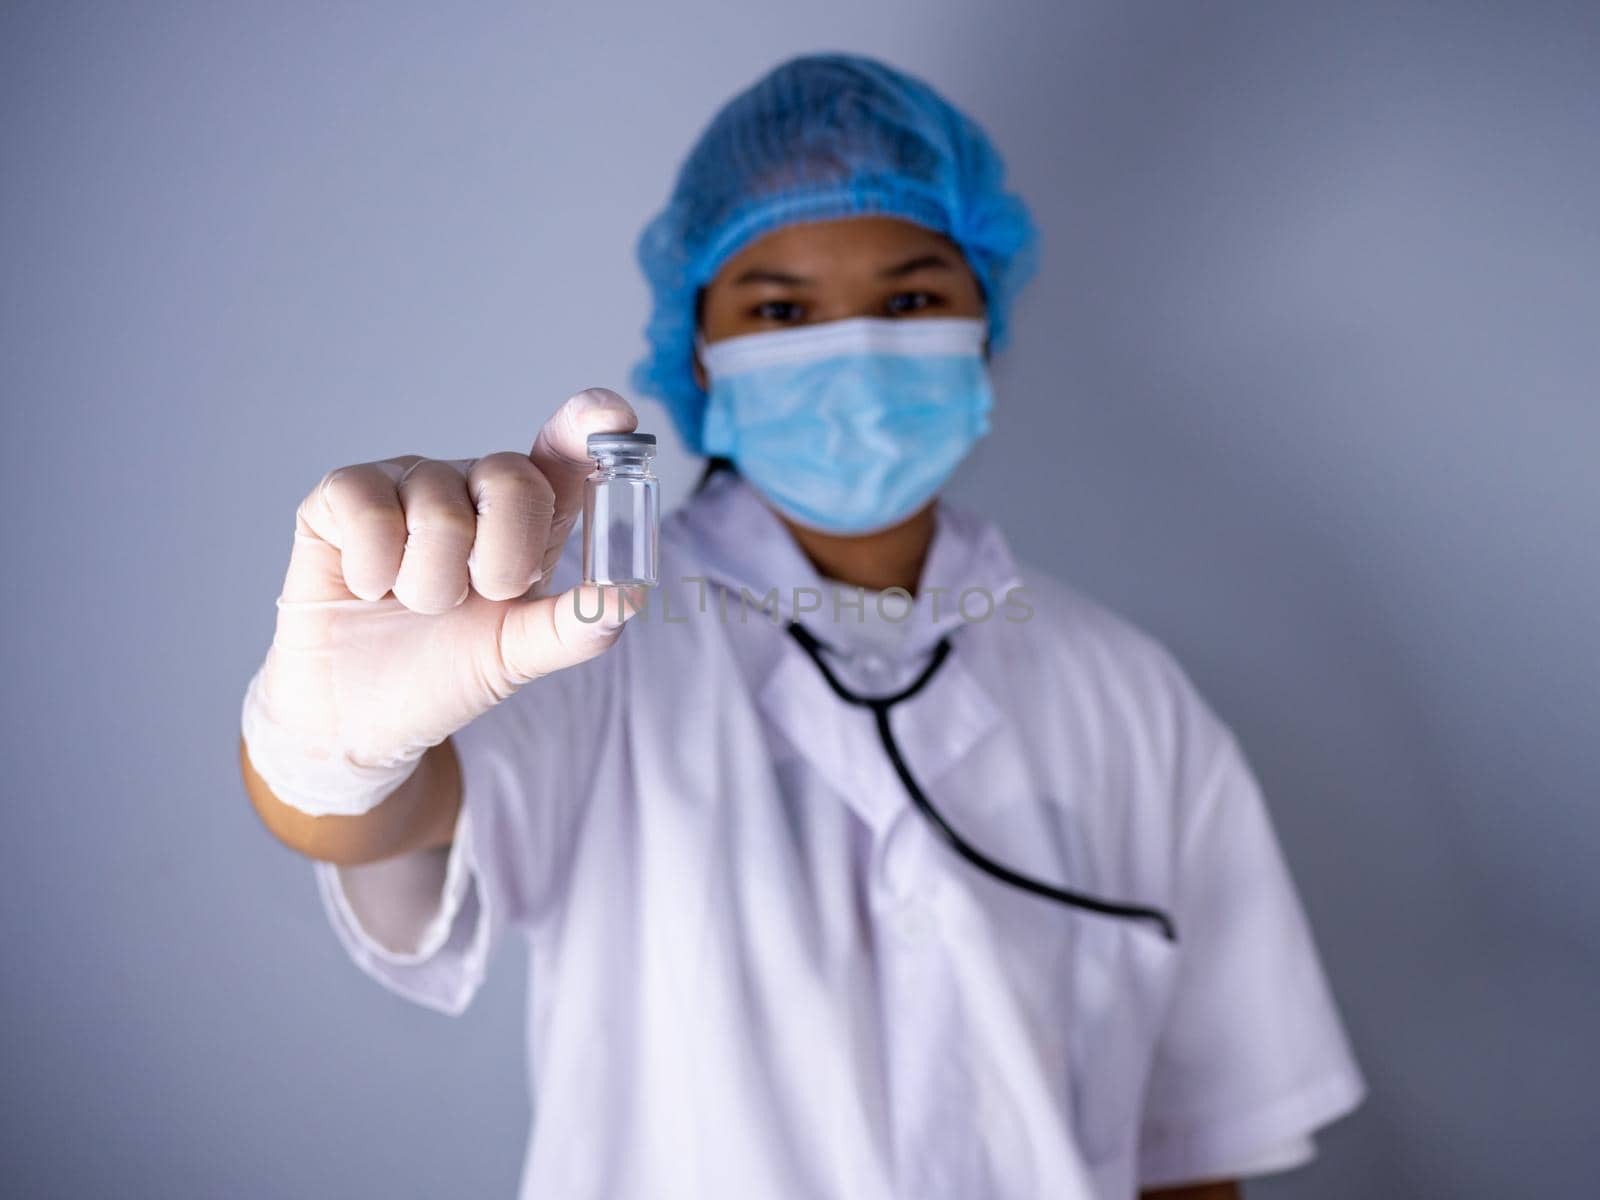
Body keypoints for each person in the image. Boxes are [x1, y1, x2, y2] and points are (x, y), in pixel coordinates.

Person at [238, 52, 1365, 1200]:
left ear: (985, 331)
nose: (857, 348)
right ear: (696, 354)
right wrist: (325, 746)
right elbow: (375, 822)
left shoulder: (1125, 693)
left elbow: (1195, 1150)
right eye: (779, 308)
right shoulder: (587, 641)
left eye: (913, 299)